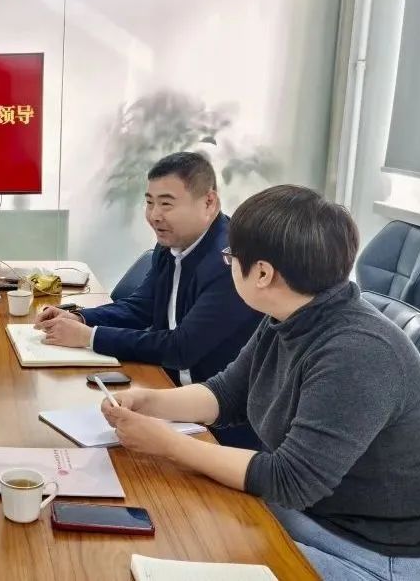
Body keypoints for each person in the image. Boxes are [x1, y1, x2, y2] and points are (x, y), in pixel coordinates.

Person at [103, 185, 420, 580]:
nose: (228, 263)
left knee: (186, 548)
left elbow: (290, 479)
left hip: (370, 552)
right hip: (311, 516)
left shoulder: (359, 352)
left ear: (262, 273)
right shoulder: (288, 316)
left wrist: (167, 444)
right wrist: (148, 402)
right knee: (176, 521)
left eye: (231, 256)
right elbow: (227, 394)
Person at [35, 152, 261, 446]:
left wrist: (90, 337)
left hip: (221, 424)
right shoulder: (172, 243)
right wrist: (80, 318)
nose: (154, 215)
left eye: (166, 204)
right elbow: (141, 307)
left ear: (209, 203)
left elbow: (182, 348)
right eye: (150, 202)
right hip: (169, 396)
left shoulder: (229, 263)